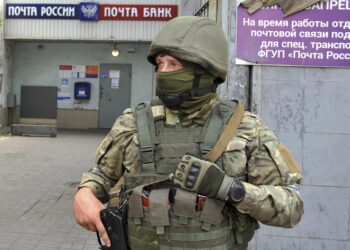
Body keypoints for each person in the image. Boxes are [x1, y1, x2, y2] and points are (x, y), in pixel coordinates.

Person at [73, 16, 304, 250]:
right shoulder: (132, 123)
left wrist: (230, 189)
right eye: (160, 64)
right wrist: (84, 194)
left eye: (173, 64)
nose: (163, 72)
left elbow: (292, 208)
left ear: (205, 70)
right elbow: (99, 177)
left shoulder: (246, 128)